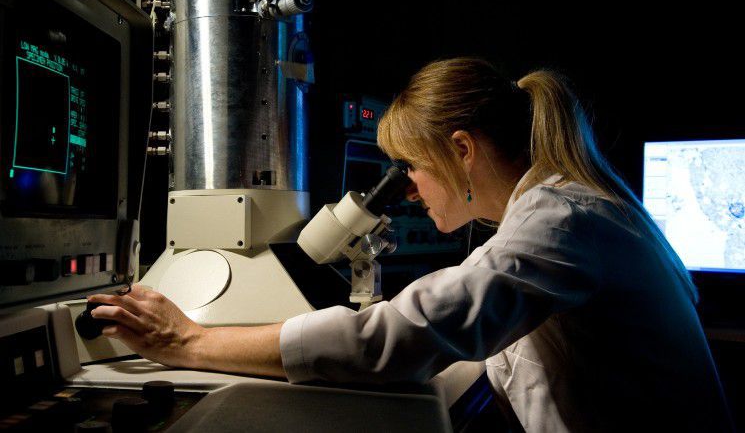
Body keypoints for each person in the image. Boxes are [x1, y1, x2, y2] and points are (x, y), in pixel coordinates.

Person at [90, 58, 733, 432]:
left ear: (460, 149)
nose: (411, 188)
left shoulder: (562, 219)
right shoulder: (552, 212)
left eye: (410, 166)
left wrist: (189, 342)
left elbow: (404, 334)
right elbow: (433, 330)